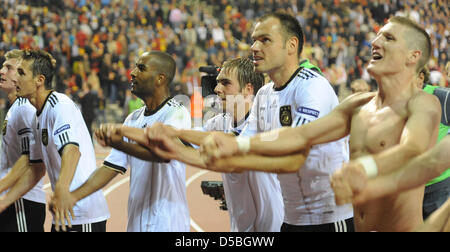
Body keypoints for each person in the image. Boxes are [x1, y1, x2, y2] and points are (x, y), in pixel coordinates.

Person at [200, 16, 442, 232]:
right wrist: (237, 146)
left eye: (388, 38)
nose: (375, 43)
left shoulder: (424, 103)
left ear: (414, 55)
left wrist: (364, 168)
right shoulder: (357, 105)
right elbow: (300, 136)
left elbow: (414, 149)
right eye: (377, 36)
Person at [200, 12, 355, 232]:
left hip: (328, 219)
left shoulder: (312, 87)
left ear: (291, 45)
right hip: (291, 220)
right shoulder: (264, 94)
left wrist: (231, 149)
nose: (254, 47)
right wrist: (174, 146)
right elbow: (240, 148)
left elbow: (293, 155)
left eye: (265, 40)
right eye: (254, 39)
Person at [132, 57, 288, 232]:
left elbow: (231, 141)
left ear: (248, 90)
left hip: (272, 227)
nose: (216, 89)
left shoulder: (264, 121)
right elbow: (185, 146)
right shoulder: (220, 122)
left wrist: (176, 132)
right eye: (217, 82)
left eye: (225, 83)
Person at [59, 51, 191, 232]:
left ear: (160, 78)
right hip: (136, 224)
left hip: (167, 224)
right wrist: (72, 197)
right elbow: (110, 167)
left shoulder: (176, 113)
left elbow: (164, 154)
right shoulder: (133, 118)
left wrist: (119, 142)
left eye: (141, 68)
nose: (133, 72)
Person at [15, 50, 110, 232]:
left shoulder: (59, 104)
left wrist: (62, 189)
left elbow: (72, 150)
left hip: (82, 214)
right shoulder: (38, 115)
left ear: (39, 80)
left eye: (21, 73)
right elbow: (35, 168)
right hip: (63, 213)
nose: (16, 79)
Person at [0, 49, 46, 232]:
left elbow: (29, 159)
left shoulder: (23, 109)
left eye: (9, 68)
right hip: (14, 199)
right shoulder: (15, 109)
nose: (1, 71)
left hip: (22, 202)